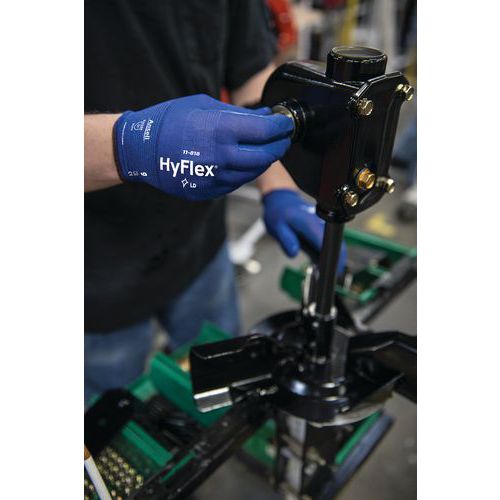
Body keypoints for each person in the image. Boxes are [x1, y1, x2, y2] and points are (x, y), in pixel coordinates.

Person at [84, 0, 344, 404]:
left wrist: (280, 188)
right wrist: (132, 144)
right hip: (93, 271)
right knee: (108, 413)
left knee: (225, 382)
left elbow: (250, 74)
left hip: (201, 240)